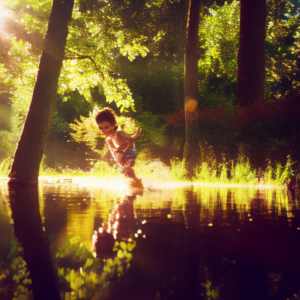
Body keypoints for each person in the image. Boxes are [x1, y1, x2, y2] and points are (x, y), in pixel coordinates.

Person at [95, 108, 143, 189]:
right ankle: (135, 185)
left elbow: (130, 138)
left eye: (106, 127)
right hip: (123, 157)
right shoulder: (109, 139)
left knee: (126, 171)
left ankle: (137, 186)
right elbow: (115, 152)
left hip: (130, 154)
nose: (103, 130)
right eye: (101, 128)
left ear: (113, 125)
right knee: (125, 172)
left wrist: (135, 135)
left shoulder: (118, 133)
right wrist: (121, 165)